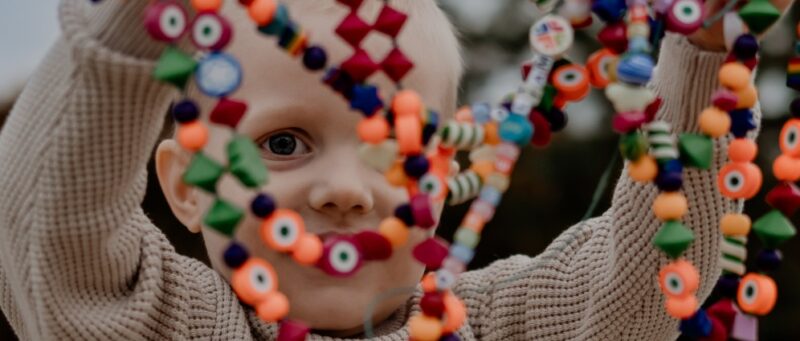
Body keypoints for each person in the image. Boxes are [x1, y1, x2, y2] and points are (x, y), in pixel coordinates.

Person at [0, 0, 791, 339]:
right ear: (182, 183)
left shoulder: (489, 320)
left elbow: (635, 283)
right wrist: (139, 25)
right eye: (284, 143)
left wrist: (703, 51)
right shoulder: (178, 323)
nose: (348, 189)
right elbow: (51, 236)